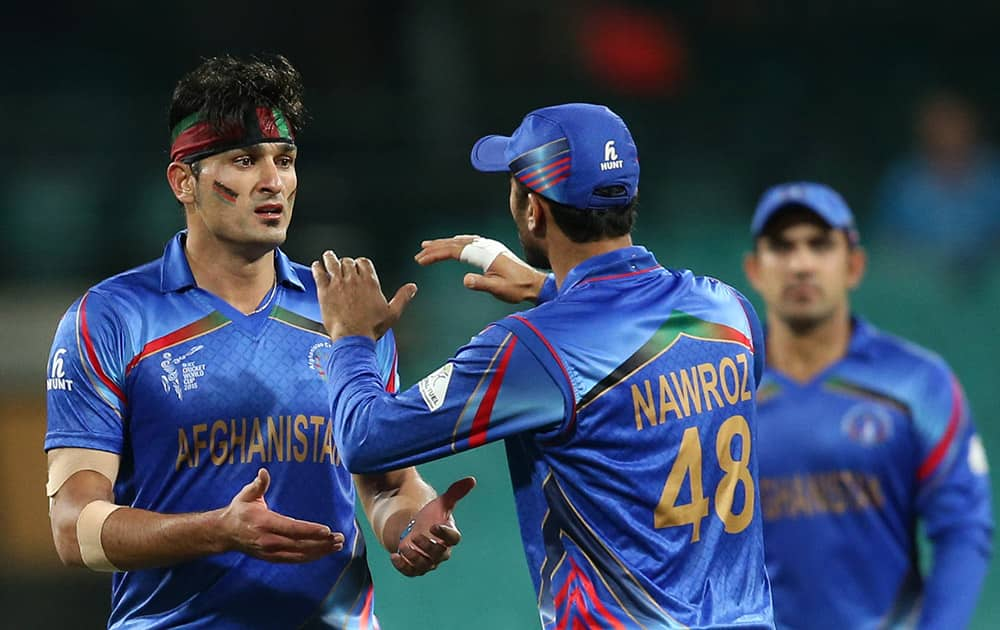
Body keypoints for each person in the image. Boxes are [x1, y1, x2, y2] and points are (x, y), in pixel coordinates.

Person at [44, 53, 473, 630]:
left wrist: (414, 525)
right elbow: (73, 530)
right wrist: (217, 530)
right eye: (244, 160)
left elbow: (386, 483)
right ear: (183, 181)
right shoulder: (110, 320)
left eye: (285, 160)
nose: (274, 181)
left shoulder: (343, 315)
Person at [310, 103, 774, 628]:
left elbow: (366, 436)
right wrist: (547, 288)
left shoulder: (532, 349)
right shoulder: (728, 311)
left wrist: (350, 338)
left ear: (534, 210)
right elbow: (631, 343)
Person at [742, 181, 993, 629]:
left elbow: (962, 528)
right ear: (755, 270)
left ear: (854, 265)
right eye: (782, 247)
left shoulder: (917, 382)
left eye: (819, 245)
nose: (800, 264)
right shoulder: (723, 391)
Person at [875, 89, 1000, 281]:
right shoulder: (904, 182)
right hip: (921, 288)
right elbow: (887, 244)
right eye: (938, 121)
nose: (947, 131)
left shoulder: (993, 177)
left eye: (953, 120)